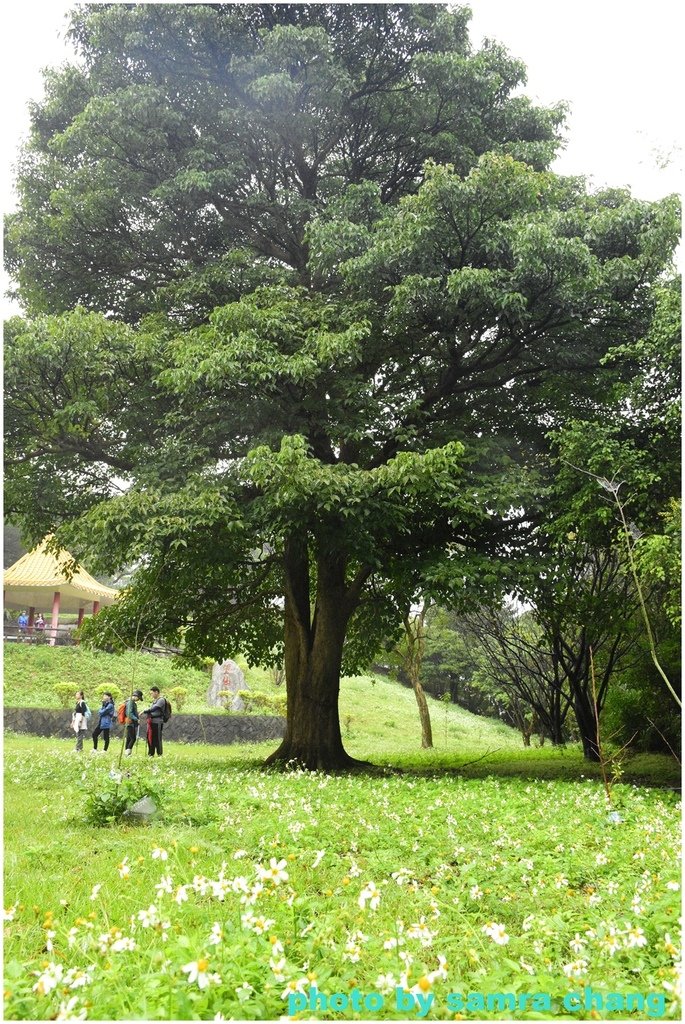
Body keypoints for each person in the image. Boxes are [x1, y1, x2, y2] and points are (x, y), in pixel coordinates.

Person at [143, 686, 167, 757]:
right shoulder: (154, 701)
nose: (151, 695)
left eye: (152, 693)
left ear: (156, 692)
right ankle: (151, 753)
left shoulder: (161, 700)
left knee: (157, 738)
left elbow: (154, 708)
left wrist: (145, 711)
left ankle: (159, 753)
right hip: (151, 722)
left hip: (158, 722)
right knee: (150, 737)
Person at [124, 689, 143, 756]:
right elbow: (129, 713)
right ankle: (128, 752)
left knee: (129, 738)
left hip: (130, 723)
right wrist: (136, 719)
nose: (138, 700)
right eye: (138, 698)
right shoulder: (130, 702)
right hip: (130, 722)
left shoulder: (131, 702)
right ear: (136, 696)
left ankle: (126, 753)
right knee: (133, 738)